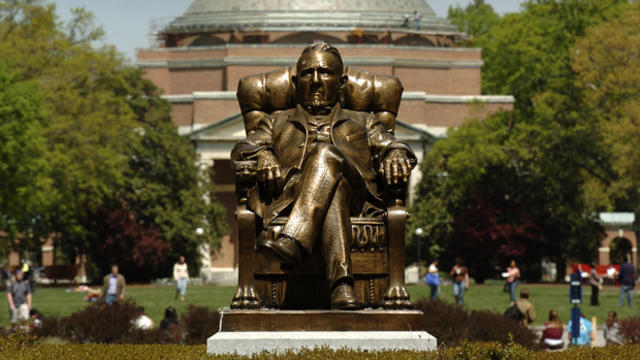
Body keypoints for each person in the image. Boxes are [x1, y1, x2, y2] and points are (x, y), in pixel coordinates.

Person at [232, 41, 416, 310]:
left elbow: (392, 143)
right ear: (295, 82)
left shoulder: (363, 120)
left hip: (359, 199)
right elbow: (243, 149)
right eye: (308, 73)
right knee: (334, 190)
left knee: (325, 154)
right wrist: (262, 154)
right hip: (294, 199)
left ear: (341, 83)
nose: (316, 81)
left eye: (325, 73)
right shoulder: (276, 121)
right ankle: (341, 286)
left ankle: (293, 241)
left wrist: (396, 153)